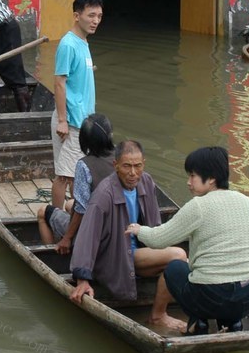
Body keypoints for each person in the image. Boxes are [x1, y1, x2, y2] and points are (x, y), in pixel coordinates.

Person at [126, 146, 249, 336]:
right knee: (213, 279)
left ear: (211, 179)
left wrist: (138, 230)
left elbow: (158, 239)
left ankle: (198, 321)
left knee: (175, 267)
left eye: (193, 176)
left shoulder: (198, 206)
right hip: (246, 299)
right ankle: (233, 323)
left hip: (210, 299)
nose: (188, 182)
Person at [70, 139, 187, 332]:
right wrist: (82, 278)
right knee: (179, 256)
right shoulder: (103, 195)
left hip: (142, 250)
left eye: (137, 166)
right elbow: (87, 236)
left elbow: (155, 224)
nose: (133, 173)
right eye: (127, 166)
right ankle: (158, 316)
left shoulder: (147, 181)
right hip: (115, 256)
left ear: (144, 164)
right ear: (115, 165)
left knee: (186, 262)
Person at [51, 0, 104, 209]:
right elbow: (59, 83)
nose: (95, 21)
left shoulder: (83, 42)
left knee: (77, 174)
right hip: (71, 121)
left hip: (83, 121)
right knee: (64, 175)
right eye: (91, 15)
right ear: (76, 15)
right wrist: (63, 120)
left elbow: (74, 77)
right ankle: (54, 216)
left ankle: (75, 217)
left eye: (99, 16)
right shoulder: (68, 44)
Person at [38, 112, 115, 253]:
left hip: (92, 228)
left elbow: (81, 208)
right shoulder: (121, 157)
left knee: (43, 212)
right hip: (113, 221)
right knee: (69, 204)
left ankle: (52, 254)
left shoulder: (84, 165)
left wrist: (67, 238)